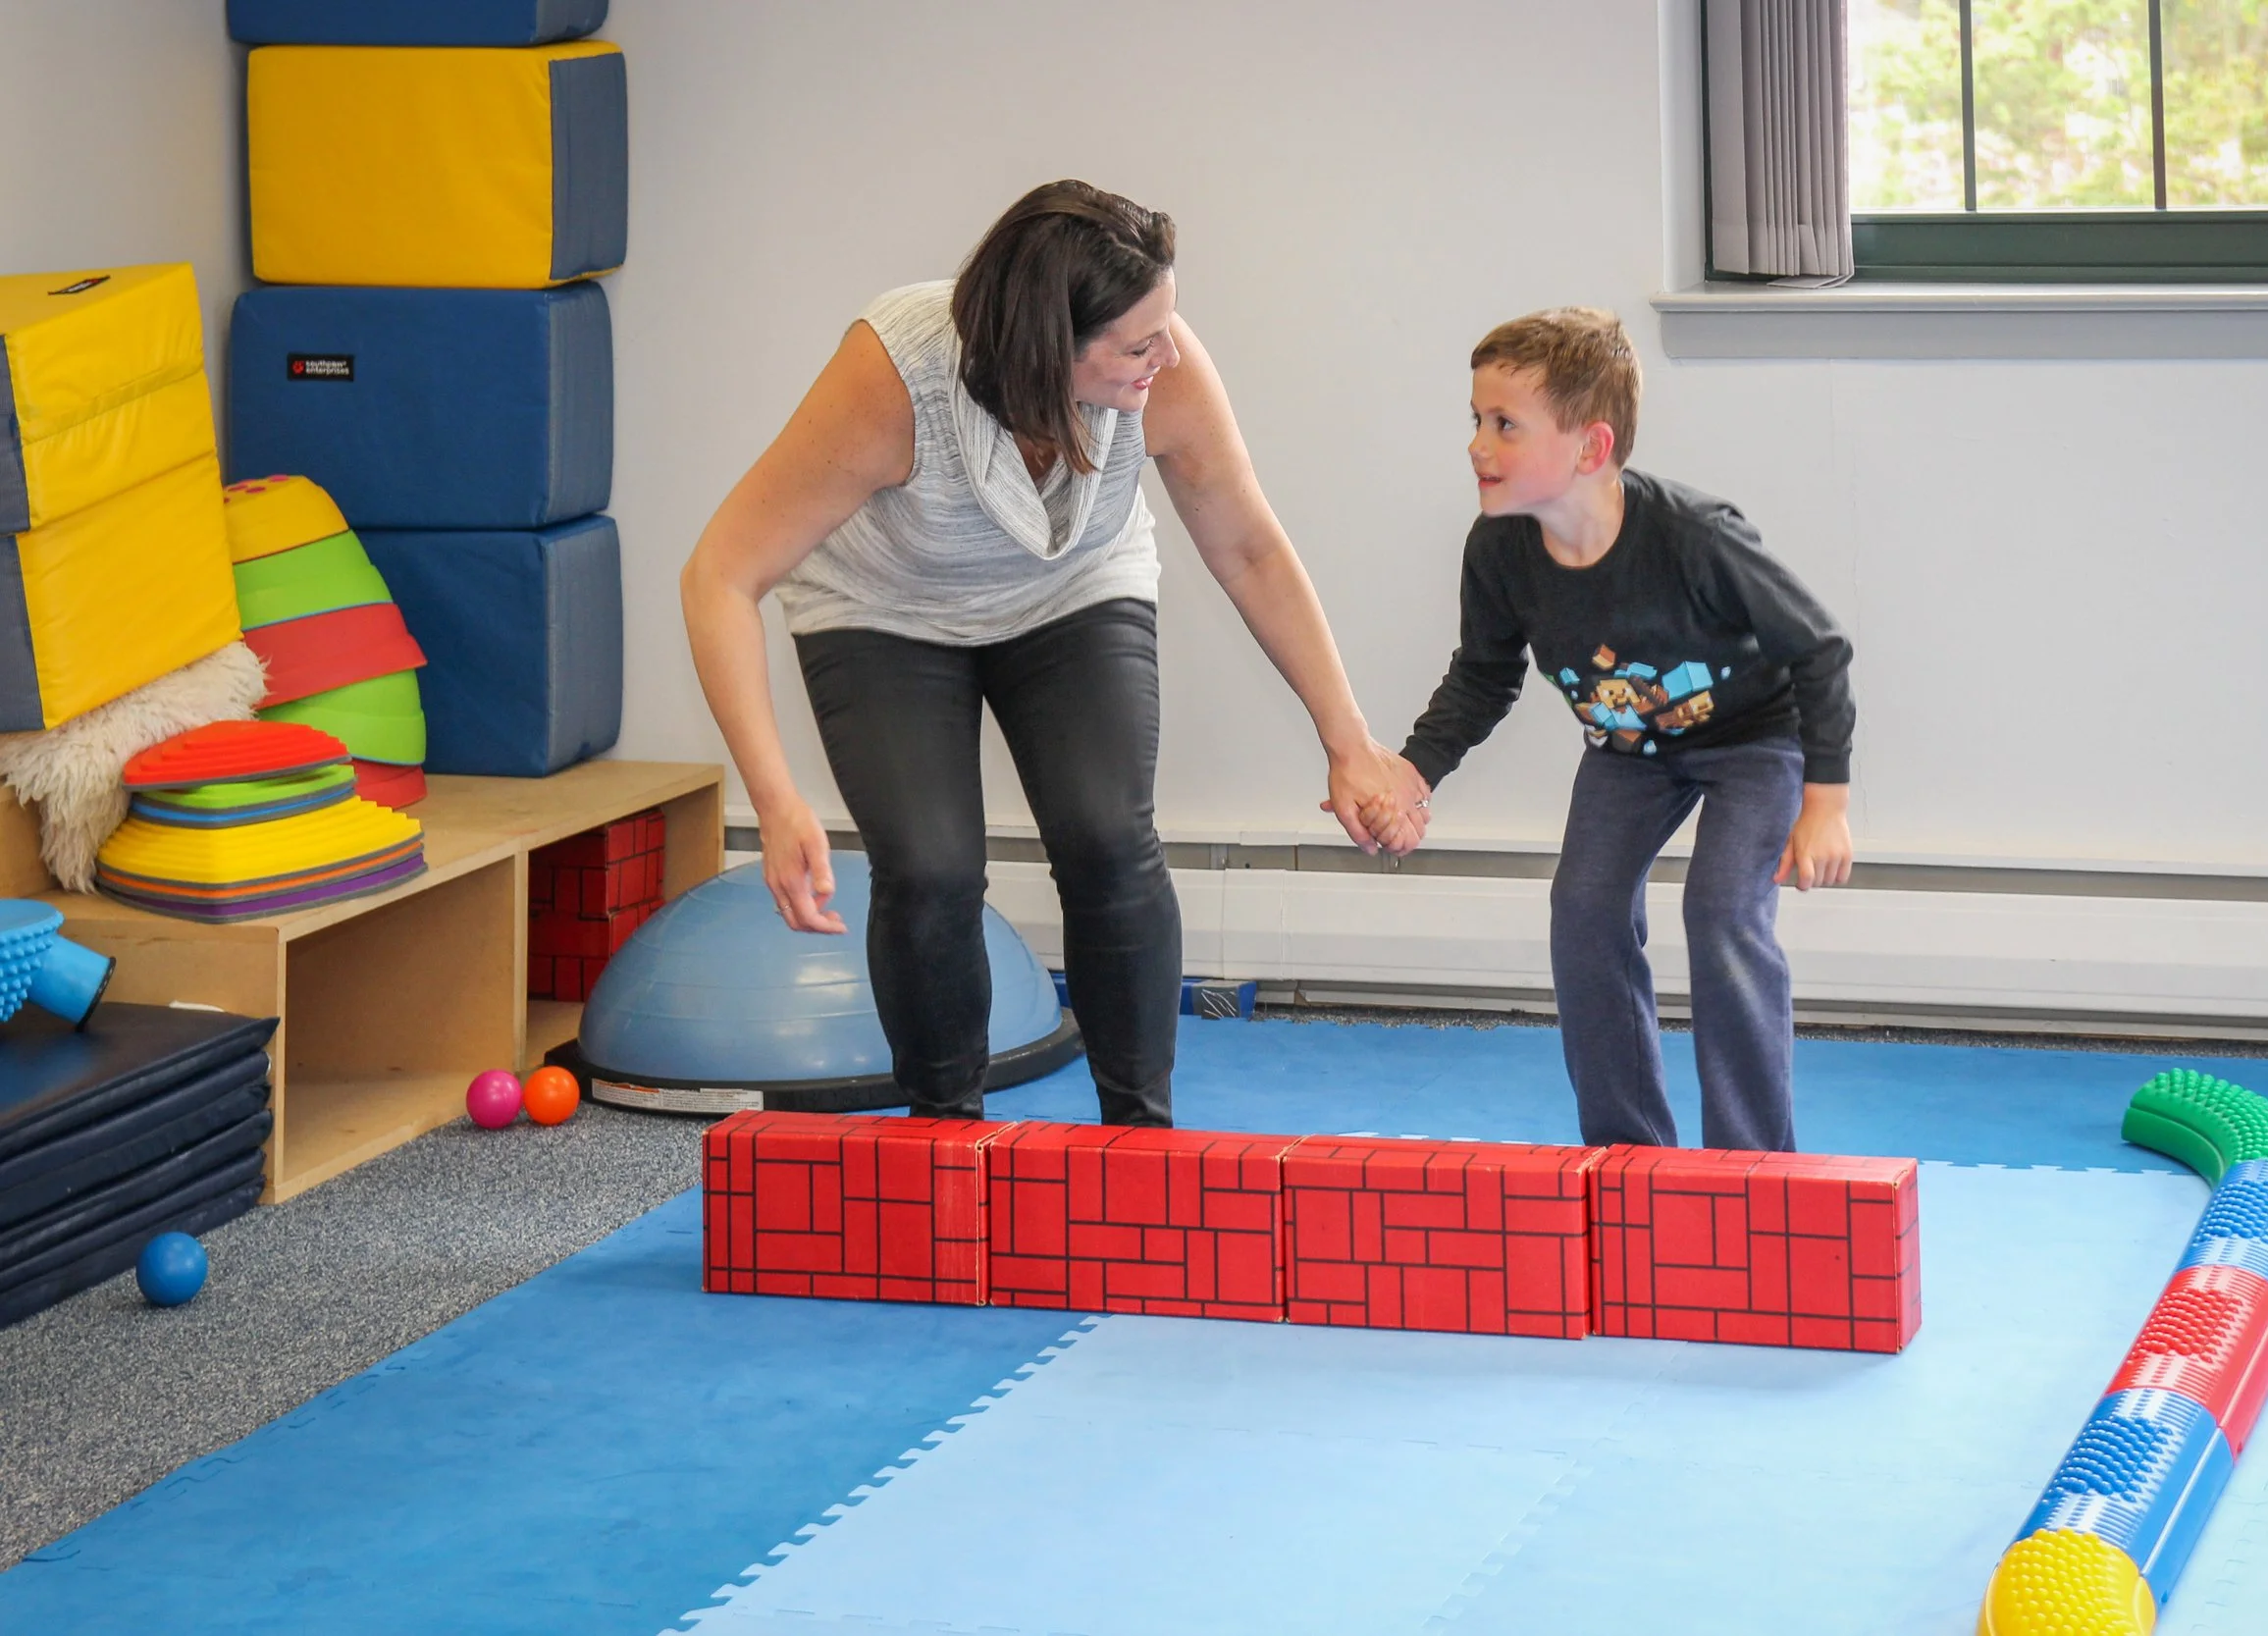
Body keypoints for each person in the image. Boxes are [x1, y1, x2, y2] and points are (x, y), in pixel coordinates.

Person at [679, 181, 1423, 1128]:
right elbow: (719, 575)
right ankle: (944, 1139)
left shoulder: (1168, 371)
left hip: (1074, 586)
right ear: (1046, 347)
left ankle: (1140, 1143)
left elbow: (1250, 548)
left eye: (1169, 328)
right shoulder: (894, 377)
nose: (1168, 355)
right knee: (932, 867)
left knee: (1109, 838)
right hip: (888, 610)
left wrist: (1347, 737)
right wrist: (776, 799)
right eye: (1137, 344)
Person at [1378, 308, 1855, 1151]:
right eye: (1476, 421)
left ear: (1591, 449)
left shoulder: (1693, 536)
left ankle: (1753, 1165)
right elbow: (1484, 678)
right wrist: (1413, 775)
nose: (1477, 445)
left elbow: (1817, 649)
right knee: (1585, 906)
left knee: (1720, 911)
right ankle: (1627, 1152)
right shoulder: (1499, 551)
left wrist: (1825, 804)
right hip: (1631, 755)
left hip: (1752, 740)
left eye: (1505, 426)